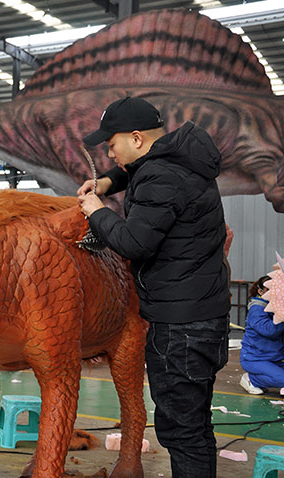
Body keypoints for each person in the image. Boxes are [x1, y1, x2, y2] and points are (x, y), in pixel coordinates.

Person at [77, 96, 230, 478]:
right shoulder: (180, 162)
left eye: (112, 145)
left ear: (137, 138)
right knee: (194, 426)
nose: (110, 152)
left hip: (180, 328)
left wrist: (96, 210)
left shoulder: (160, 177)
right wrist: (109, 180)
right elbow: (138, 172)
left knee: (181, 431)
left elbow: (134, 242)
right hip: (202, 317)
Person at [239, 275, 284, 395]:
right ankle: (252, 380)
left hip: (275, 359)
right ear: (260, 291)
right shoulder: (257, 309)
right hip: (255, 359)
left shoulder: (276, 309)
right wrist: (281, 316)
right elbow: (269, 330)